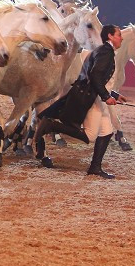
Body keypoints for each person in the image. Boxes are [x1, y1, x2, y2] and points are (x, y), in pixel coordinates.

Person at [33, 24, 126, 179]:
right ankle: (51, 125)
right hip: (92, 99)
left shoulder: (102, 51)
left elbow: (99, 79)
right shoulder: (105, 53)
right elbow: (95, 76)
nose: (121, 38)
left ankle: (95, 168)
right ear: (110, 36)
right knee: (90, 136)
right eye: (119, 35)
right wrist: (106, 96)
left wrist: (114, 95)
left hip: (95, 97)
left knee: (107, 131)